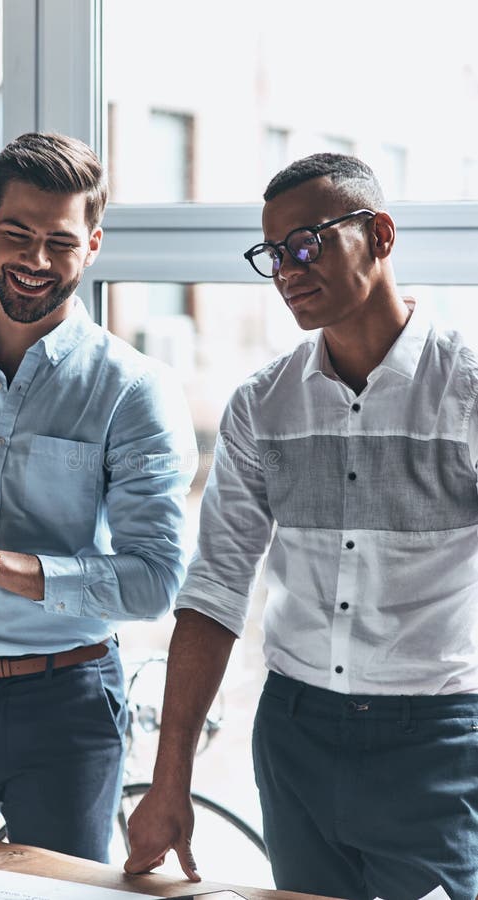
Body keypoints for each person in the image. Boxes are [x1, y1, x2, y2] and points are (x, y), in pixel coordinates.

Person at [124, 153, 478, 900]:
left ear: (378, 234)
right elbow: (217, 584)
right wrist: (169, 780)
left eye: (308, 243)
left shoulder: (465, 391)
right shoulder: (262, 405)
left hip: (437, 740)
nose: (287, 269)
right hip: (294, 737)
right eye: (273, 253)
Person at [0, 131, 196, 862]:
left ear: (93, 246)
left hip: (67, 705)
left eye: (61, 241)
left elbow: (153, 580)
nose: (35, 261)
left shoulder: (134, 391)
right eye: (18, 234)